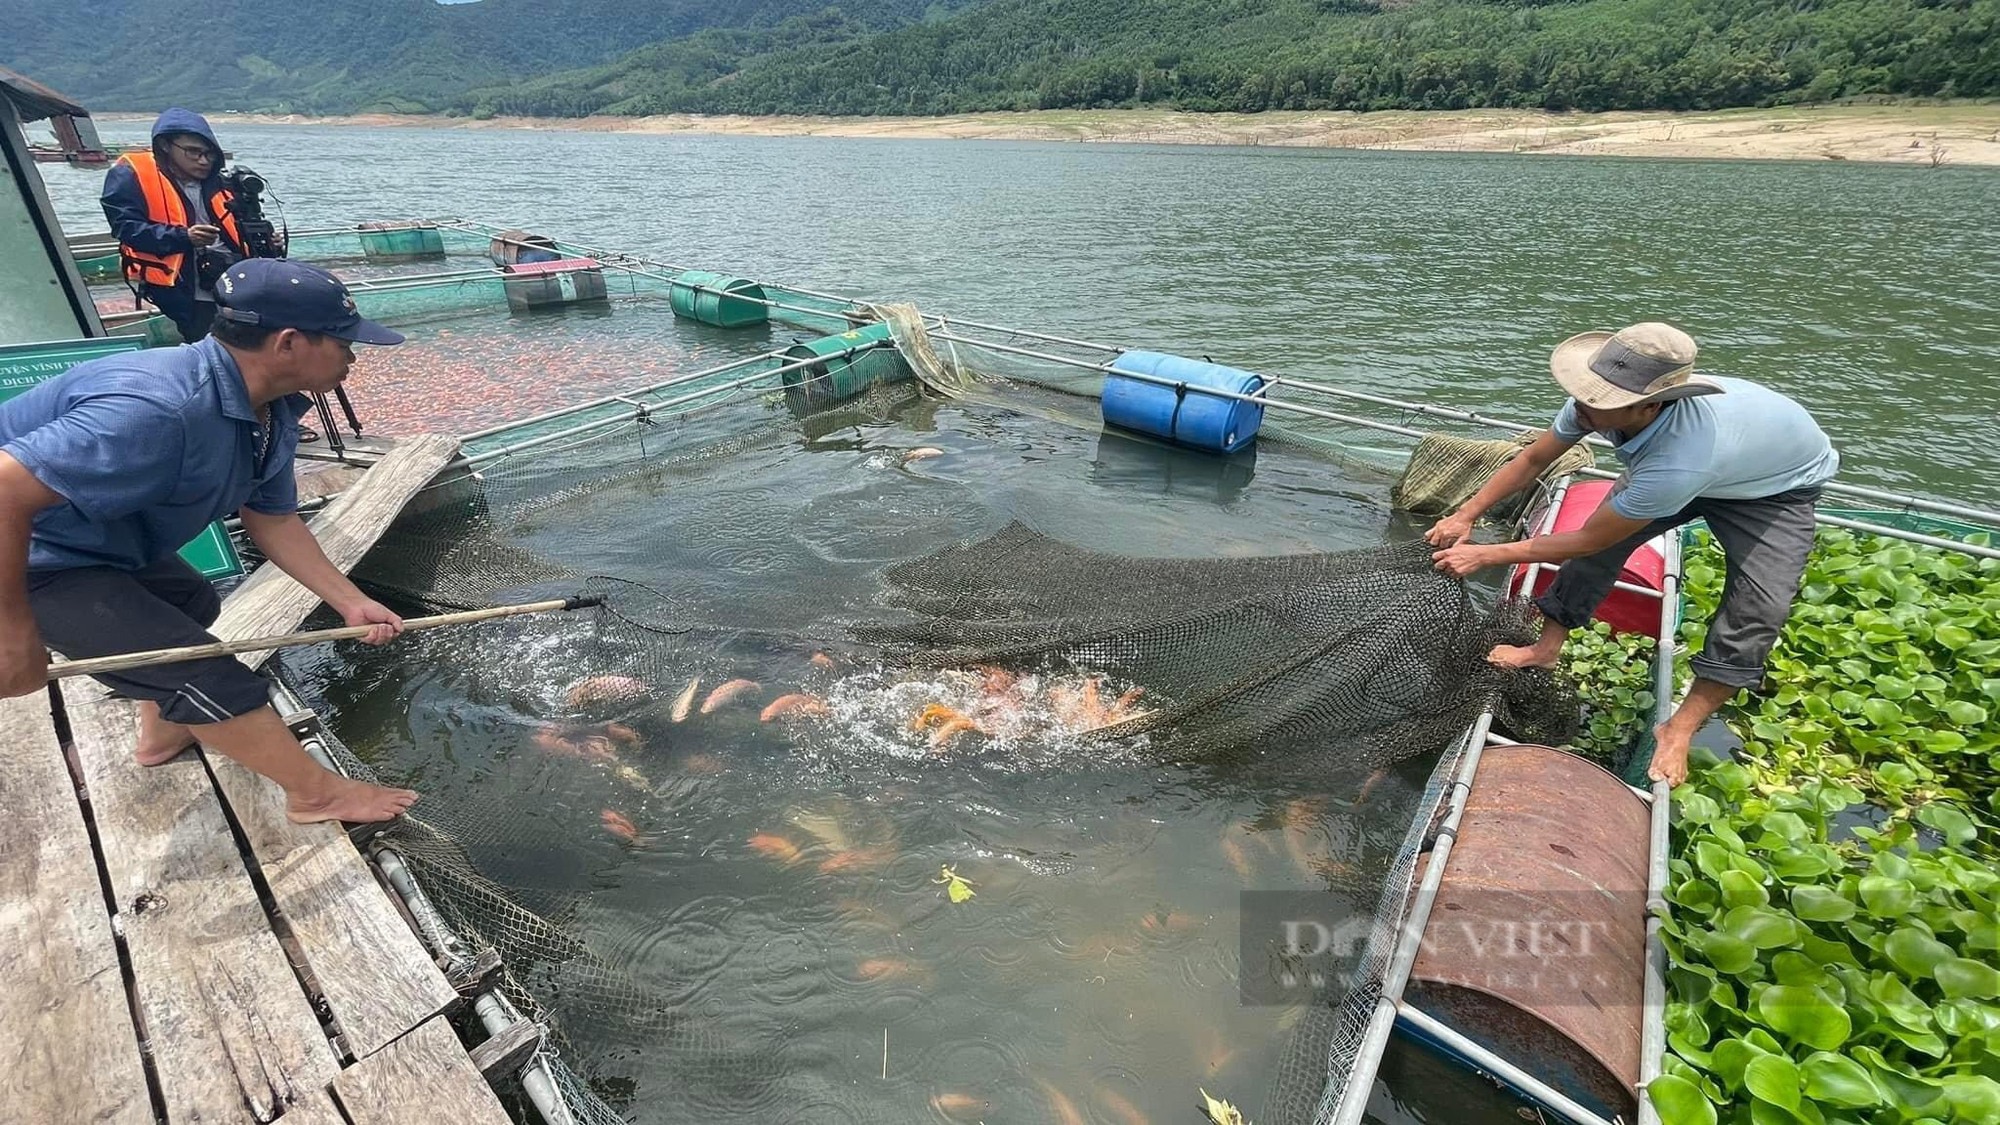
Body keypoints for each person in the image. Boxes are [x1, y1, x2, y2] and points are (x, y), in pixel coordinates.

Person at [0, 259, 418, 824]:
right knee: (203, 672)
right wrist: (14, 631)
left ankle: (162, 735)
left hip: (93, 538)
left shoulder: (272, 409)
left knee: (192, 602)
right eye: (343, 341)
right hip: (32, 552)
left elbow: (272, 519)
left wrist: (347, 600)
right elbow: (4, 492)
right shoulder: (158, 407)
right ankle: (316, 794)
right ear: (289, 343)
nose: (353, 355)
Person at [1426, 322, 1839, 787]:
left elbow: (1590, 541)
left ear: (1649, 406)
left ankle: (1678, 728)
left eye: (1599, 403)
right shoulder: (1592, 405)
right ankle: (1545, 650)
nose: (1582, 407)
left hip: (1775, 487)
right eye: (1585, 394)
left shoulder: (1679, 461)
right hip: (1713, 460)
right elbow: (1532, 460)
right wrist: (1467, 515)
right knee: (1604, 541)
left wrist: (1488, 554)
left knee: (1758, 608)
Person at [101, 108, 245, 345]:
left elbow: (239, 225)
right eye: (193, 152)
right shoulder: (131, 173)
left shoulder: (220, 180)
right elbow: (126, 228)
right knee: (208, 344)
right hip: (181, 283)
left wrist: (267, 240)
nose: (203, 160)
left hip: (233, 278)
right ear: (166, 146)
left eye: (209, 154)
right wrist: (185, 236)